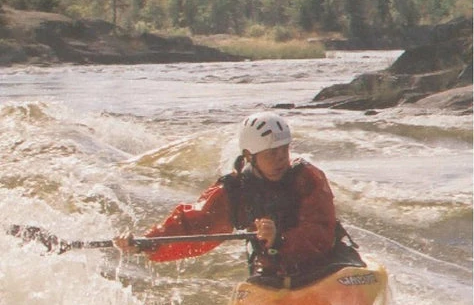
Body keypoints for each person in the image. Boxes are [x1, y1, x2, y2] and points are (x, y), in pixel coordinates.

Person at [115, 110, 341, 285]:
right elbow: (194, 225)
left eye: (284, 150)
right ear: (249, 156)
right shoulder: (235, 189)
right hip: (272, 271)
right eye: (272, 153)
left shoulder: (307, 178)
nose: (281, 159)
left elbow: (321, 230)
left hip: (324, 264)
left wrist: (279, 239)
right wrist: (146, 244)